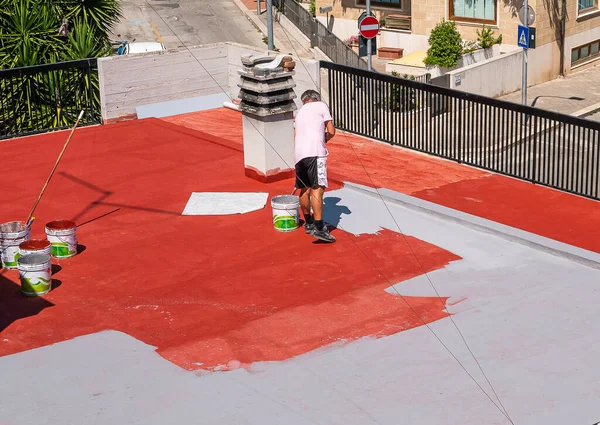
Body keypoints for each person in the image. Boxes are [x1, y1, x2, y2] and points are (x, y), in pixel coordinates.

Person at [294, 89, 336, 243]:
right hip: (315, 152)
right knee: (318, 187)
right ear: (315, 98)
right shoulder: (321, 105)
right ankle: (319, 228)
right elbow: (331, 131)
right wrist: (324, 139)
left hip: (299, 154)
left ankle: (309, 223)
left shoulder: (300, 112)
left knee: (304, 188)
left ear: (304, 101)